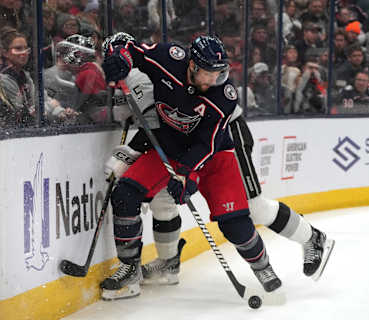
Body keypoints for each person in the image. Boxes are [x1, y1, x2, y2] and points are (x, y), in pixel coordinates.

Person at [100, 33, 334, 300]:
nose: (214, 80)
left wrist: (186, 173)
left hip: (221, 140)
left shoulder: (222, 94)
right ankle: (158, 266)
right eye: (209, 73)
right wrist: (121, 56)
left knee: (250, 210)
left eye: (219, 73)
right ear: (192, 65)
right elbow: (133, 53)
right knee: (146, 197)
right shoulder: (162, 62)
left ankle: (306, 241)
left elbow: (207, 143)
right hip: (173, 141)